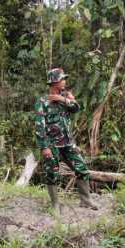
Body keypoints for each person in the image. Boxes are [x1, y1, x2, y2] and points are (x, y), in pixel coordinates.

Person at [34, 68, 98, 211]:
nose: (64, 81)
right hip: (52, 145)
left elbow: (76, 108)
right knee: (52, 174)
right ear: (54, 82)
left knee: (82, 169)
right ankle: (55, 204)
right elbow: (39, 126)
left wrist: (64, 99)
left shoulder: (65, 98)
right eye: (62, 79)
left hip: (68, 143)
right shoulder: (42, 102)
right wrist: (44, 147)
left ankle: (85, 200)